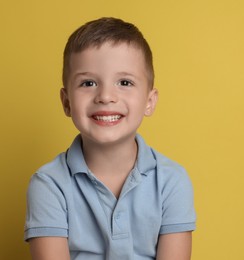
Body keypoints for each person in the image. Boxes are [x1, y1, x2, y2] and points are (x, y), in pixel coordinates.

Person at [24, 17, 196, 260]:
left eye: (124, 82)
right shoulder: (49, 185)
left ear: (149, 101)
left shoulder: (172, 181)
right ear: (66, 102)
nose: (105, 96)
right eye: (88, 83)